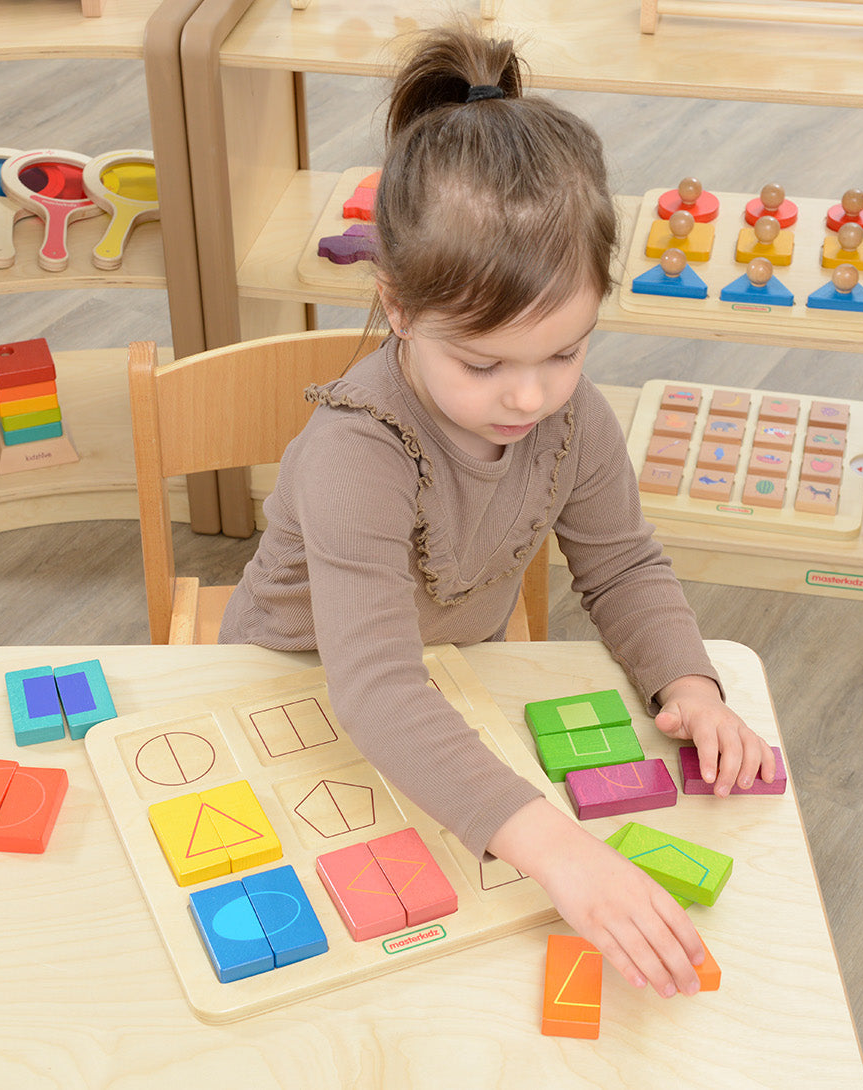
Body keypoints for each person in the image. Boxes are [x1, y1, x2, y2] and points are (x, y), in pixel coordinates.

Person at [220, 24, 776, 999]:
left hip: (450, 683)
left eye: (564, 352)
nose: (529, 396)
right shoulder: (357, 453)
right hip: (290, 689)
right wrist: (558, 850)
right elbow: (374, 688)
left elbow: (622, 565)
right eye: (482, 364)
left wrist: (690, 684)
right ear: (397, 308)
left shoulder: (575, 420)